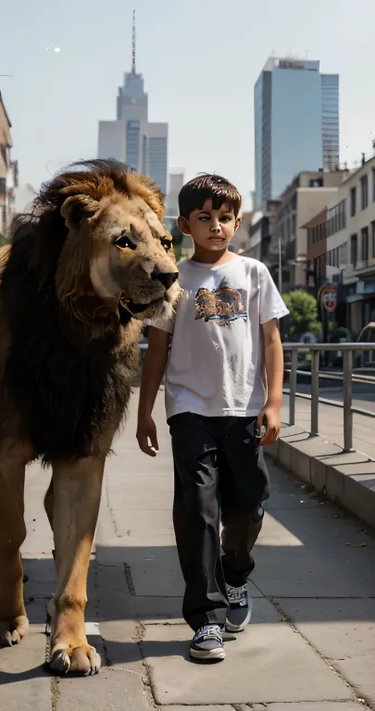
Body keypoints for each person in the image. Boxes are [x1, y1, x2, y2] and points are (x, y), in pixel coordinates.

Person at [136, 173, 289, 662]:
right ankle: (205, 619)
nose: (217, 226)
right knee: (197, 510)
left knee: (247, 505)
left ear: (238, 222)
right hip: (189, 410)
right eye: (205, 218)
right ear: (184, 225)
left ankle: (236, 576)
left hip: (244, 409)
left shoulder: (255, 273)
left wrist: (274, 402)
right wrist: (146, 413)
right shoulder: (173, 278)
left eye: (225, 218)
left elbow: (270, 341)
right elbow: (155, 349)